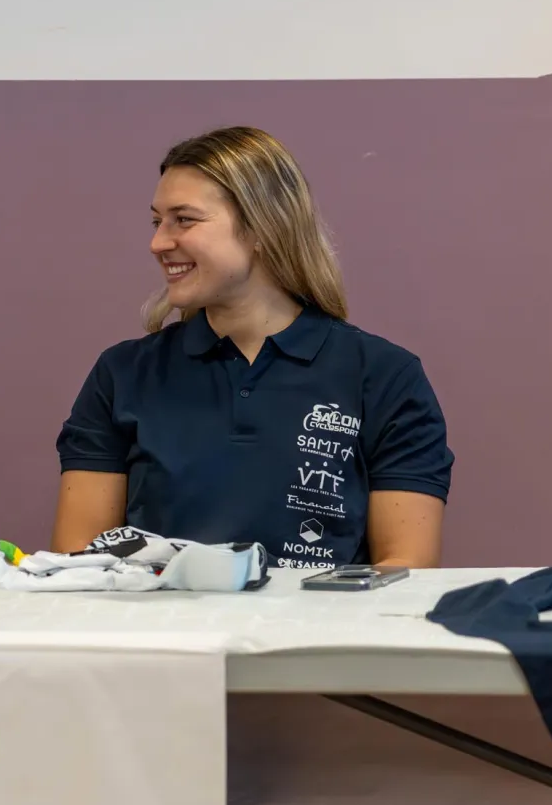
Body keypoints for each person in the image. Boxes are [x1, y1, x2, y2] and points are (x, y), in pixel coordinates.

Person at [50, 126, 452, 569]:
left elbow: (404, 570)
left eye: (184, 219)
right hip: (161, 618)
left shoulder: (385, 377)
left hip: (321, 617)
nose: (158, 242)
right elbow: (79, 567)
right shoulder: (123, 374)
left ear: (263, 227)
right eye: (156, 221)